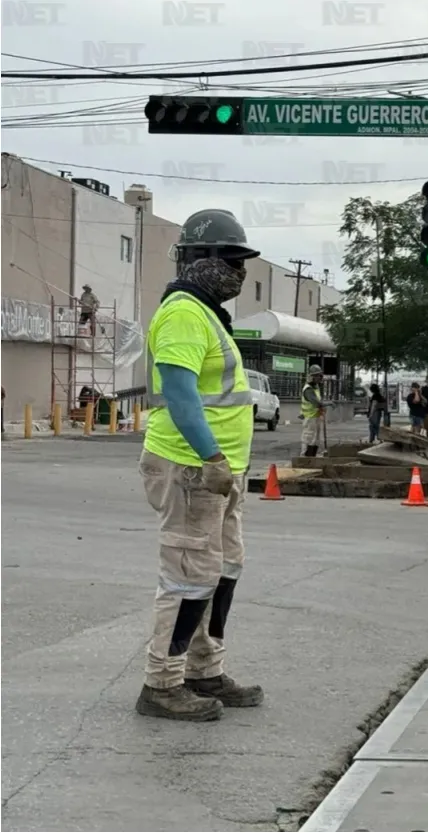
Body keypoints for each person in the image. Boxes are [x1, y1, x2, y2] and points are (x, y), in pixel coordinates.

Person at [136, 208, 263, 722]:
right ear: (198, 260)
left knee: (223, 568)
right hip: (192, 467)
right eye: (231, 260)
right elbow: (181, 393)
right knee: (188, 576)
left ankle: (204, 668)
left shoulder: (208, 313)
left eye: (242, 262)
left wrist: (225, 465)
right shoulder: (185, 313)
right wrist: (211, 457)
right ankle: (161, 684)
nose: (239, 272)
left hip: (219, 472)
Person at [300, 365, 330, 457]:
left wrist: (322, 409)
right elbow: (317, 403)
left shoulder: (315, 388)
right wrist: (328, 403)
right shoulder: (308, 389)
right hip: (310, 418)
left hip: (316, 417)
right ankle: (305, 457)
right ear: (312, 377)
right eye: (317, 376)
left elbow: (319, 402)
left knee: (315, 439)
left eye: (320, 375)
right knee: (308, 438)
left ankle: (312, 457)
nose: (319, 378)